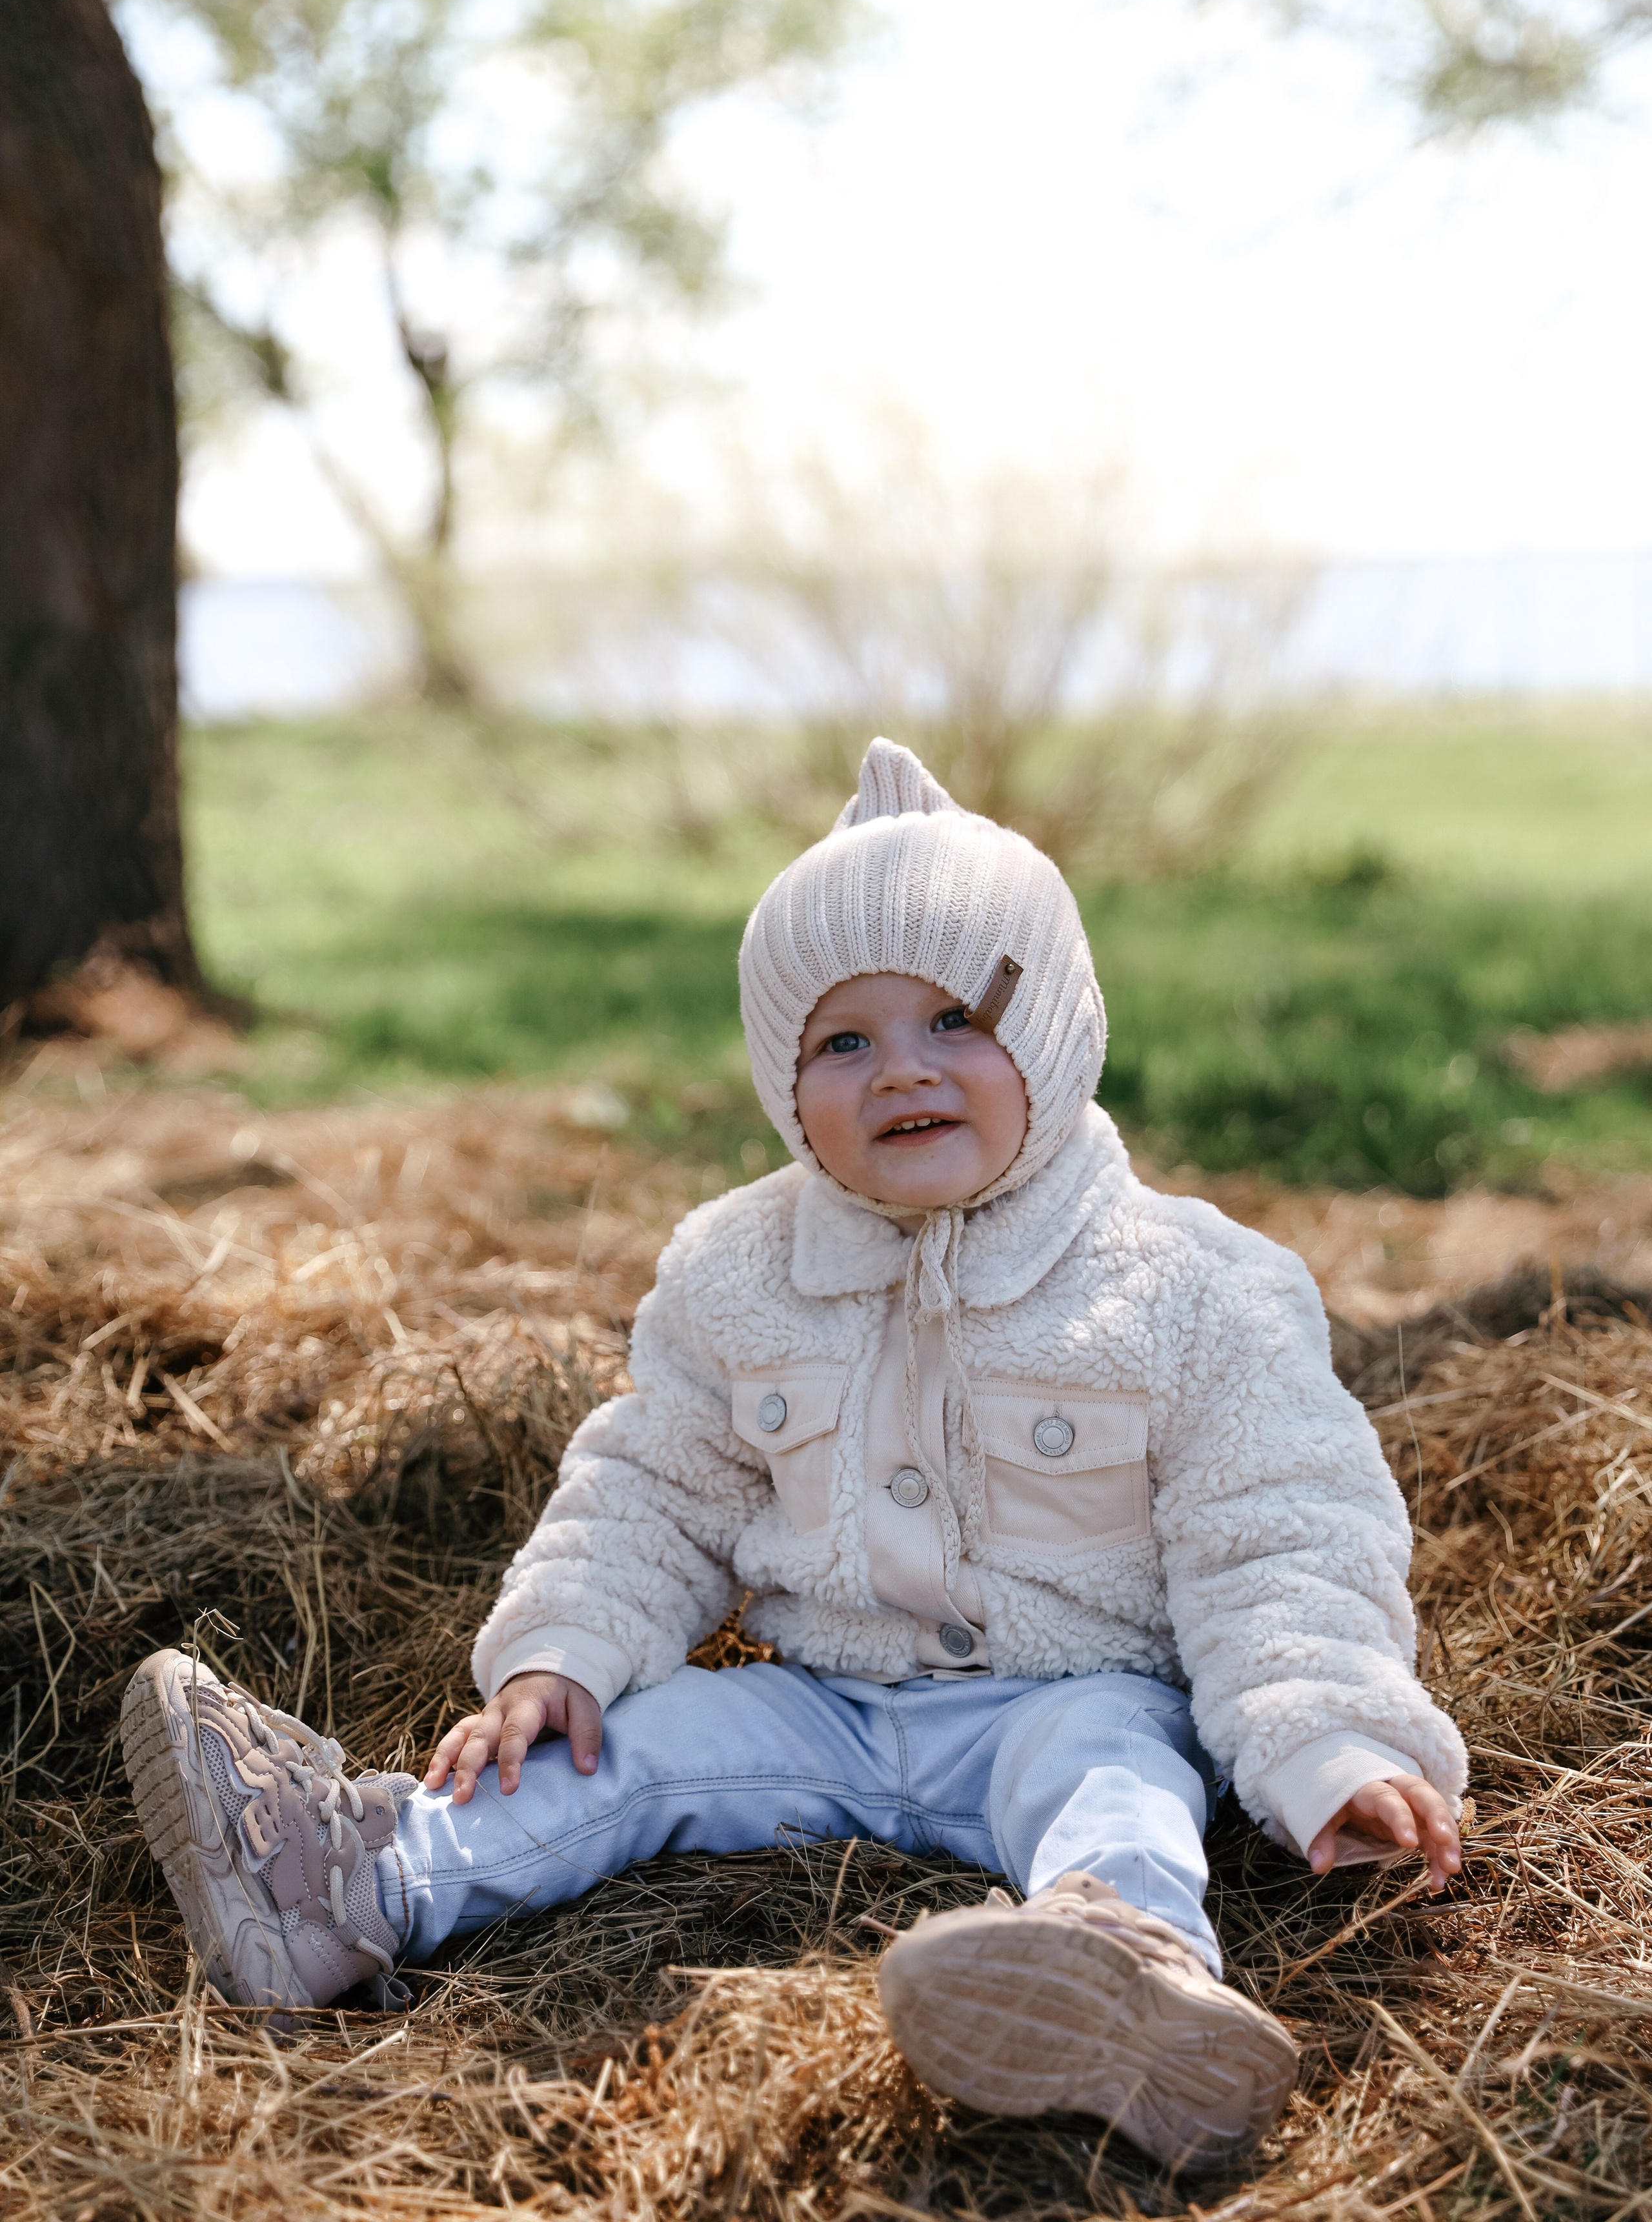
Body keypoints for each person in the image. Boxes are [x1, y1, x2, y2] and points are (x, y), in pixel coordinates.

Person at [123, 738, 1467, 2168]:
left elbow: (1282, 1531)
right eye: (842, 1042)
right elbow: (653, 1482)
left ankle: (1117, 1976)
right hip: (819, 1699)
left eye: (954, 1018)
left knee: (1116, 1789)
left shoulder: (1189, 1289)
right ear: (785, 1085)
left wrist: (1327, 1739)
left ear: (1057, 1031)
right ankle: (353, 1882)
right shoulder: (736, 1269)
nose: (901, 1072)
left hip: (1068, 1693)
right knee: (629, 1751)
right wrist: (562, 1651)